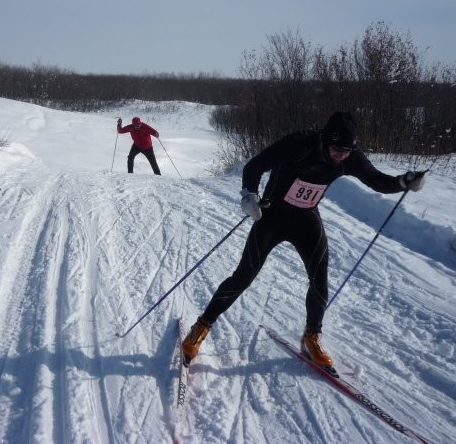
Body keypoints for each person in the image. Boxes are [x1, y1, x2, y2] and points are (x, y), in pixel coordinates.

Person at [181, 111, 426, 369]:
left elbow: (376, 180)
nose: (342, 156)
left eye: (347, 150)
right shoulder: (299, 143)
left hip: (306, 219)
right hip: (272, 217)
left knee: (320, 278)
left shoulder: (349, 156)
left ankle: (311, 337)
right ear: (324, 139)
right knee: (243, 276)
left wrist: (403, 182)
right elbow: (255, 166)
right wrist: (249, 196)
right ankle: (201, 326)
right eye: (337, 149)